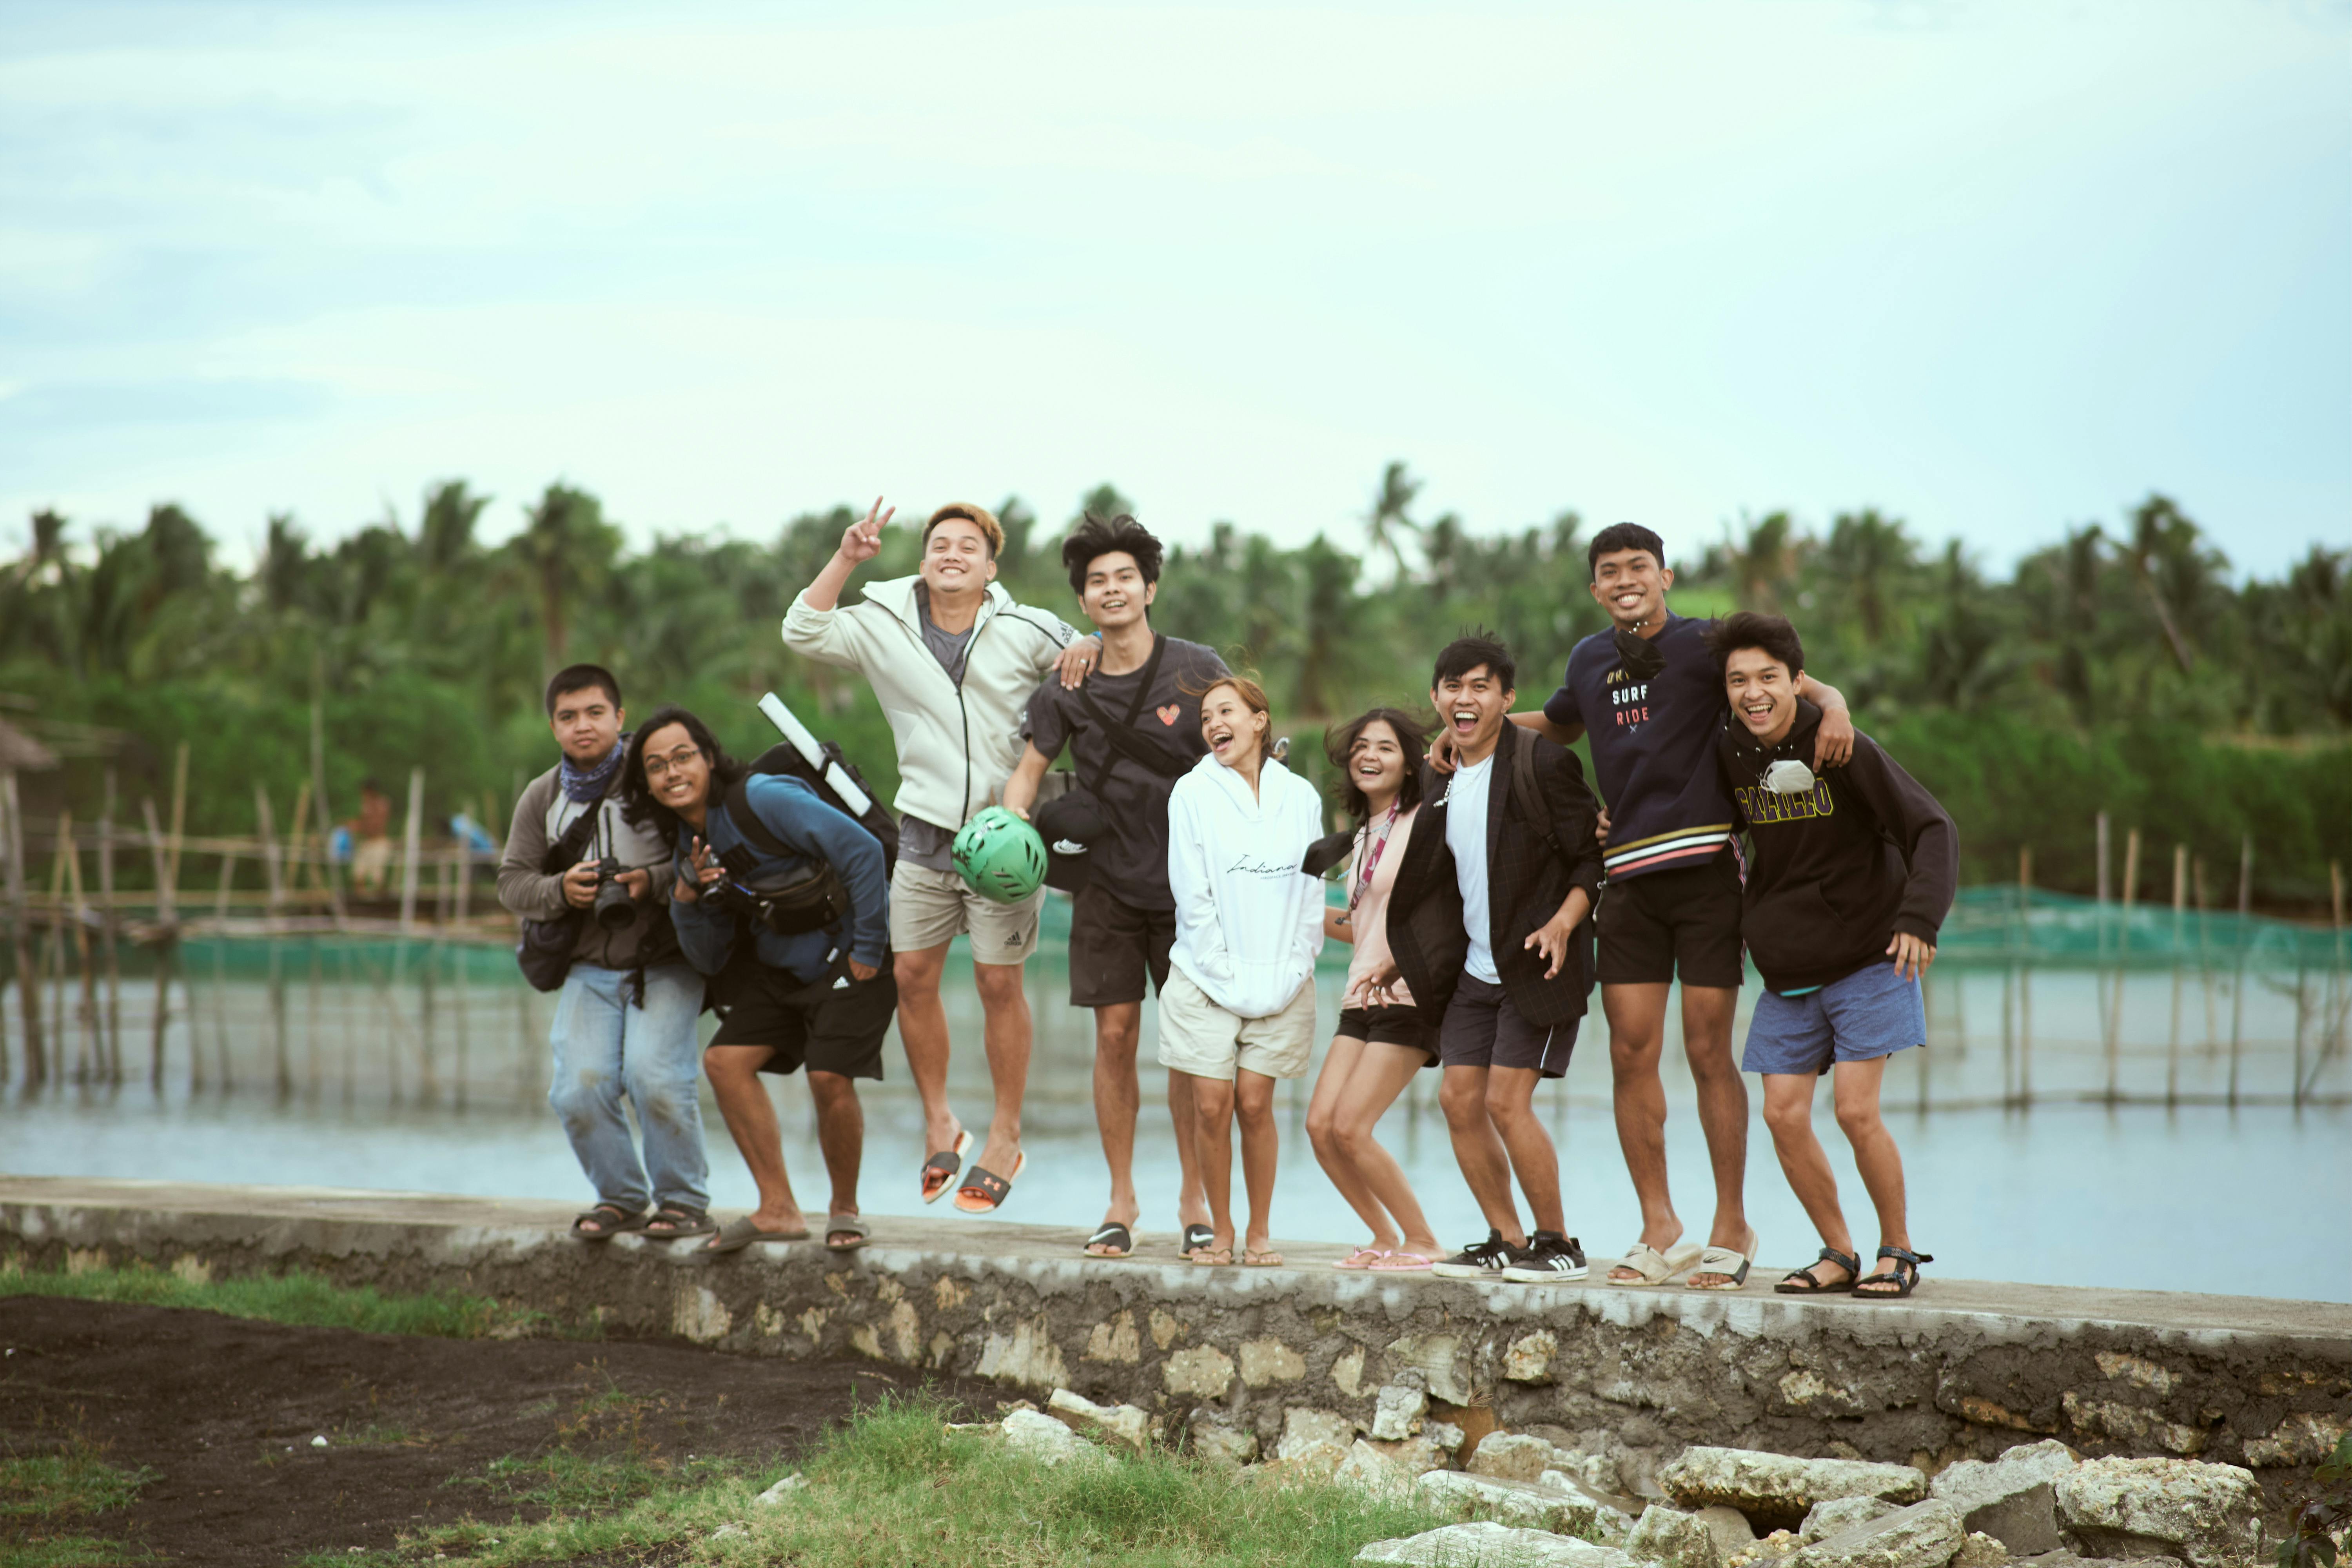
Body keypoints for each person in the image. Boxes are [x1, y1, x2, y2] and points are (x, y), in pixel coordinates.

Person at [1433, 523, 1854, 1291]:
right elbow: (1559, 723)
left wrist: (1834, 705)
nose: (1625, 579)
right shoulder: (1589, 659)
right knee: (1632, 1050)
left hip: (1704, 873)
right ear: (1594, 589)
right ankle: (1660, 1223)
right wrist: (1465, 731)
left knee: (1705, 1049)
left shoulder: (1706, 643)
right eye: (1609, 572)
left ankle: (1733, 1222)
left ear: (1665, 574)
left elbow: (1788, 678)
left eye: (1639, 567)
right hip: (1625, 878)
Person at [781, 497, 1096, 1216]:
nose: (951, 554)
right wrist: (847, 558)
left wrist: (1081, 645)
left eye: (967, 547)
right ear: (922, 559)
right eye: (939, 545)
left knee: (997, 986)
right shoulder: (881, 622)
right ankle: (940, 1120)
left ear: (992, 566)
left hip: (1007, 839)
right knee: (913, 977)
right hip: (923, 830)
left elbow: (1096, 654)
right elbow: (803, 628)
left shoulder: (1025, 626)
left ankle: (1007, 1136)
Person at [1001, 512, 1230, 1259]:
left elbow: (1242, 762)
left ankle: (1195, 1201)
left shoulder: (1198, 668)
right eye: (1097, 581)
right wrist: (1005, 841)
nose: (1112, 589)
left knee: (1192, 1049)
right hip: (1103, 885)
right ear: (1084, 601)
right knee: (1115, 1035)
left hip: (1191, 889)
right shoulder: (1067, 683)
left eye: (1124, 576)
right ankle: (1121, 1201)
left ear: (1150, 587)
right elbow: (1027, 778)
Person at [1707, 613, 1952, 1299]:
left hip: (1868, 956)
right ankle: (1838, 1252)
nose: (1754, 694)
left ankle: (1896, 1251)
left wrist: (1920, 920)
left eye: (1768, 679)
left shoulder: (1839, 744)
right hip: (1787, 968)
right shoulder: (1730, 748)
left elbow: (1933, 829)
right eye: (1738, 681)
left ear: (1796, 681)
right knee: (1783, 1113)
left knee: (1854, 1111)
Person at [622, 704, 895, 1256]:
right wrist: (688, 897)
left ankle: (845, 1210)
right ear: (647, 787)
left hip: (851, 955)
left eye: (683, 758)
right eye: (656, 767)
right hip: (783, 970)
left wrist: (867, 949)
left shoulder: (763, 797)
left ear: (708, 759)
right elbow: (709, 957)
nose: (672, 773)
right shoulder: (688, 850)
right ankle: (778, 1208)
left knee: (828, 1078)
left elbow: (864, 852)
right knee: (725, 1062)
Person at [1381, 633, 1605, 1283]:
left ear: (1508, 698)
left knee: (1508, 1102)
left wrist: (1564, 923)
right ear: (1436, 697)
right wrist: (1406, 958)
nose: (1465, 698)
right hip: (1474, 972)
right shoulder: (1440, 776)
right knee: (1457, 1099)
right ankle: (1505, 1238)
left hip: (1539, 963)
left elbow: (1593, 858)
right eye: (1453, 686)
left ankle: (1559, 1243)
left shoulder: (1544, 764)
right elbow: (1446, 883)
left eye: (1482, 686)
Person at [496, 666, 711, 1242]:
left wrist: (652, 880)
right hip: (589, 964)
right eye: (568, 717)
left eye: (595, 713)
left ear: (620, 718)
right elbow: (512, 882)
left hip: (667, 959)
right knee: (577, 1088)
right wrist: (560, 890)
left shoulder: (655, 775)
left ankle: (684, 1202)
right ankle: (621, 1199)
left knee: (656, 1080)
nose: (582, 726)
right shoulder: (543, 795)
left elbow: (708, 850)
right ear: (553, 727)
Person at [1159, 675, 1324, 1267]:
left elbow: (1311, 892)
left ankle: (1259, 1233)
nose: (1212, 726)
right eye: (1205, 719)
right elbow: (1192, 894)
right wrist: (1225, 973)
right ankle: (1219, 1230)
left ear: (1260, 720)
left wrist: (1294, 967)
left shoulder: (1301, 796)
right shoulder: (1190, 793)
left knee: (1255, 1103)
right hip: (1205, 978)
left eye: (1225, 712)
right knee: (1211, 1104)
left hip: (1282, 976)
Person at [1303, 707, 1446, 1273]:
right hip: (1359, 996)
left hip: (1408, 993)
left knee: (1352, 1127)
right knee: (1320, 1128)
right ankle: (1385, 1236)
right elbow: (1362, 924)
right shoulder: (1364, 833)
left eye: (1386, 748)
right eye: (1362, 745)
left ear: (1410, 764)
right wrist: (1295, 914)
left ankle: (1424, 1240)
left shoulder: (1426, 821)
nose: (1370, 756)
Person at [350, 779, 394, 896]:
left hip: (379, 842)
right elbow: (363, 821)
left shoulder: (382, 804)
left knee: (377, 876)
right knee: (358, 873)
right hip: (367, 842)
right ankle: (361, 898)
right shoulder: (366, 806)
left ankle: (379, 900)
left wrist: (358, 826)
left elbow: (376, 825)